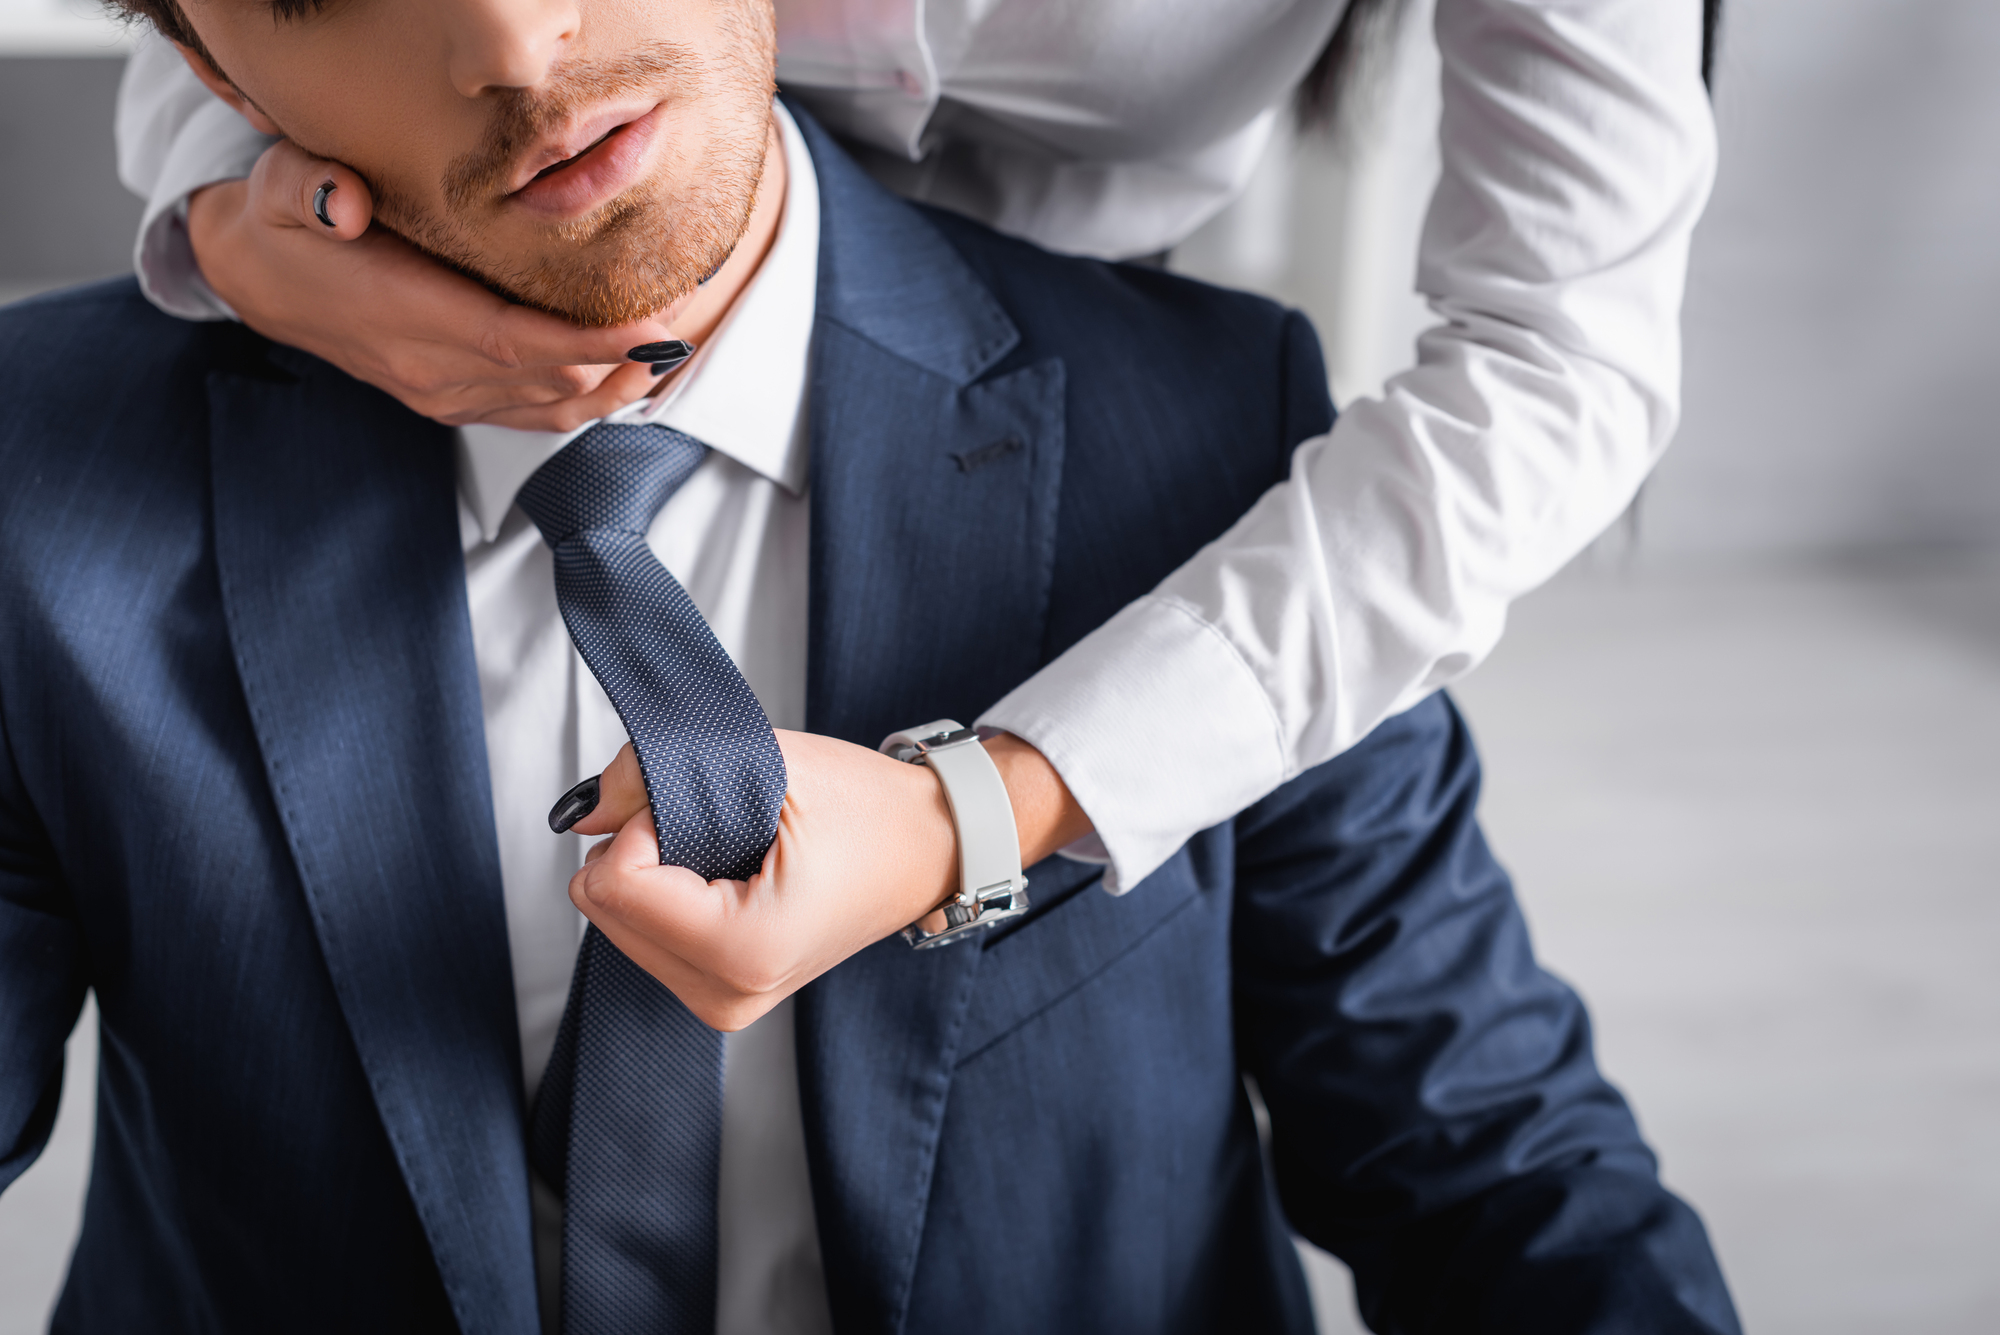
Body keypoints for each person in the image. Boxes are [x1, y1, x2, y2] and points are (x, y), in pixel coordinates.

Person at [0, 0, 1739, 1330]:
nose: (520, 46)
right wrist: (227, 231)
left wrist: (989, 810)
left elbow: (1488, 1149)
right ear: (221, 74)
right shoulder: (46, 488)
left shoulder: (1217, 457)